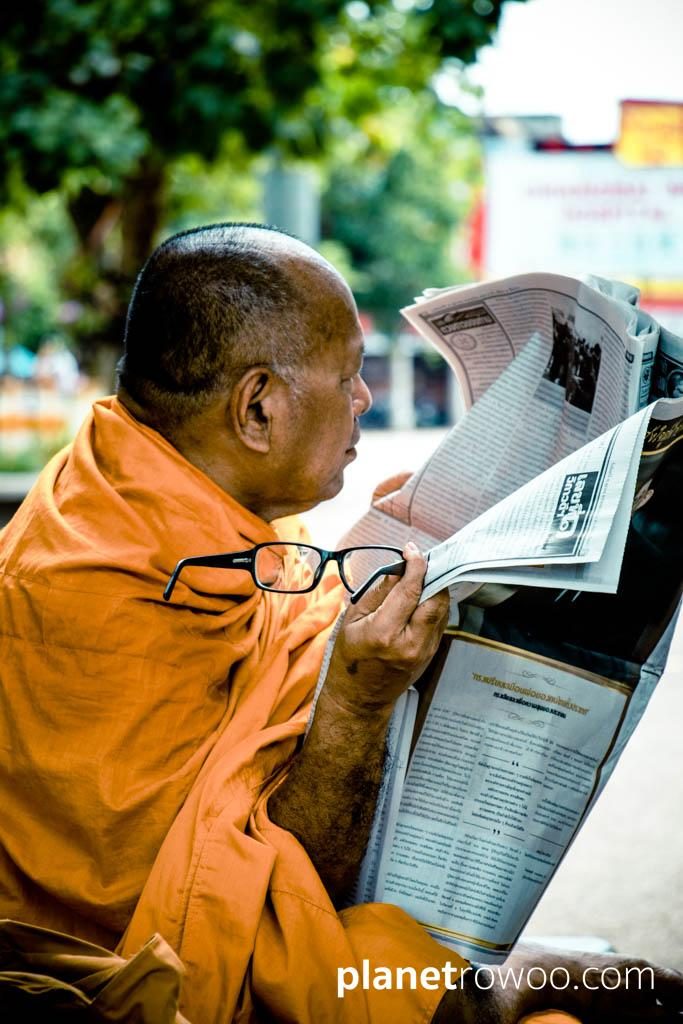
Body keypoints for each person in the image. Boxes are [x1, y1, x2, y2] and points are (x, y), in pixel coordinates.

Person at [0, 223, 680, 1024]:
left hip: (304, 942)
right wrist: (354, 704)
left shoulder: (163, 496)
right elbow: (225, 950)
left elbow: (277, 642)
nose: (362, 400)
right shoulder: (88, 605)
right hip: (160, 990)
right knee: (575, 1000)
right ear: (257, 408)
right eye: (348, 376)